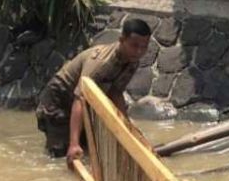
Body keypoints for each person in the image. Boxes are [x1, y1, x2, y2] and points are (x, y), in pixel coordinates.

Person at [35, 18, 152, 163]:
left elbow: (116, 93)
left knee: (88, 150)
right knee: (61, 154)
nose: (139, 51)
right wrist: (74, 144)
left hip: (81, 101)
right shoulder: (102, 63)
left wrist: (127, 127)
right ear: (122, 40)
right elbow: (80, 98)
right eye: (134, 46)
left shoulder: (132, 62)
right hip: (59, 97)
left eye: (144, 47)